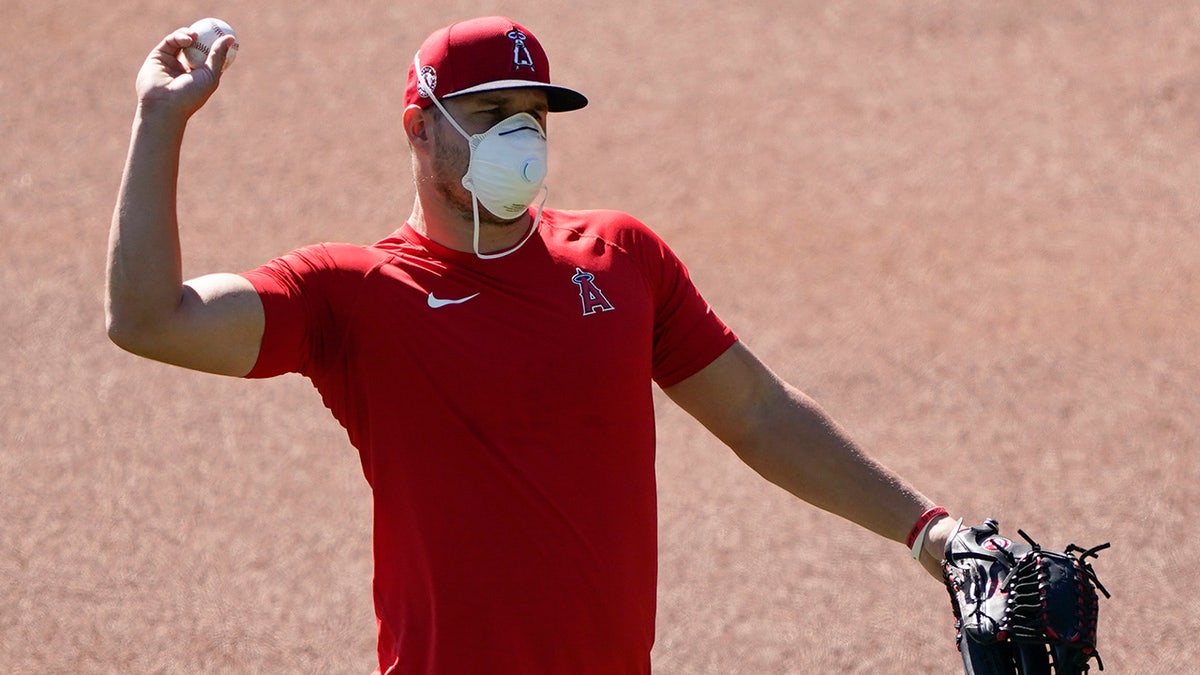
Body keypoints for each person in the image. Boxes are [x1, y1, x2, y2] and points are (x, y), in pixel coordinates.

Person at [107, 16, 961, 674]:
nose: (521, 137)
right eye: (488, 115)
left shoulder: (622, 257)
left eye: (532, 115)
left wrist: (929, 530)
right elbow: (151, 320)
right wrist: (160, 120)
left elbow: (759, 412)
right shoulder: (351, 292)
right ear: (419, 126)